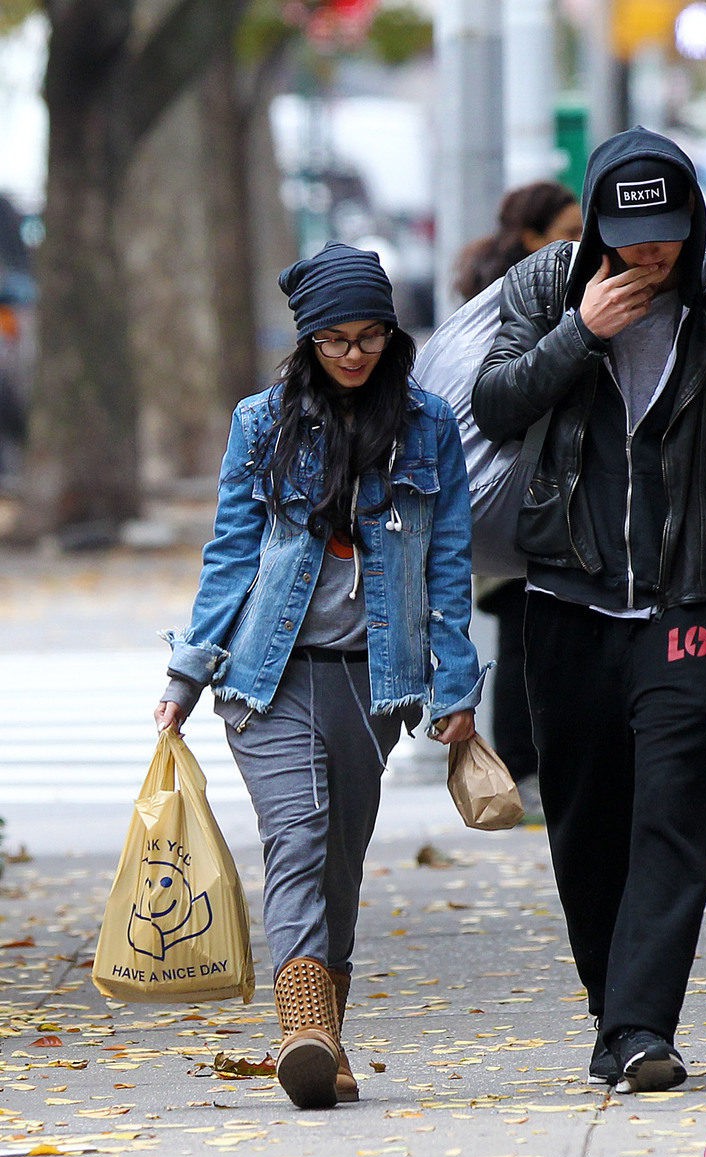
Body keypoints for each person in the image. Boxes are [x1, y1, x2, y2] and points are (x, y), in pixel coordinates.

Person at [472, 126, 706, 1094]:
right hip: (563, 602)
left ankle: (641, 1027)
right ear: (594, 224)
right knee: (585, 826)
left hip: (686, 608)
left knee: (673, 818)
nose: (652, 252)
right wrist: (577, 334)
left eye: (668, 232)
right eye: (632, 235)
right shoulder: (546, 288)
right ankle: (612, 1010)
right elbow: (495, 404)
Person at [155, 242, 486, 1109]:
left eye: (368, 335)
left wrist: (455, 685)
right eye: (333, 339)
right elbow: (231, 553)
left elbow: (447, 564)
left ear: (390, 334)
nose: (351, 354)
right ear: (305, 342)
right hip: (266, 676)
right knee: (297, 833)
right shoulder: (262, 422)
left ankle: (326, 1035)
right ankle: (299, 1024)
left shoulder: (429, 426)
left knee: (339, 854)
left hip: (372, 681)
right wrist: (187, 671)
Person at [454, 182, 583, 807]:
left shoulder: (485, 286)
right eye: (568, 231)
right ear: (533, 237)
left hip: (501, 494)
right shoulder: (522, 293)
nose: (581, 244)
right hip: (515, 490)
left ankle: (529, 770)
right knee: (524, 642)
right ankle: (523, 771)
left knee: (524, 641)